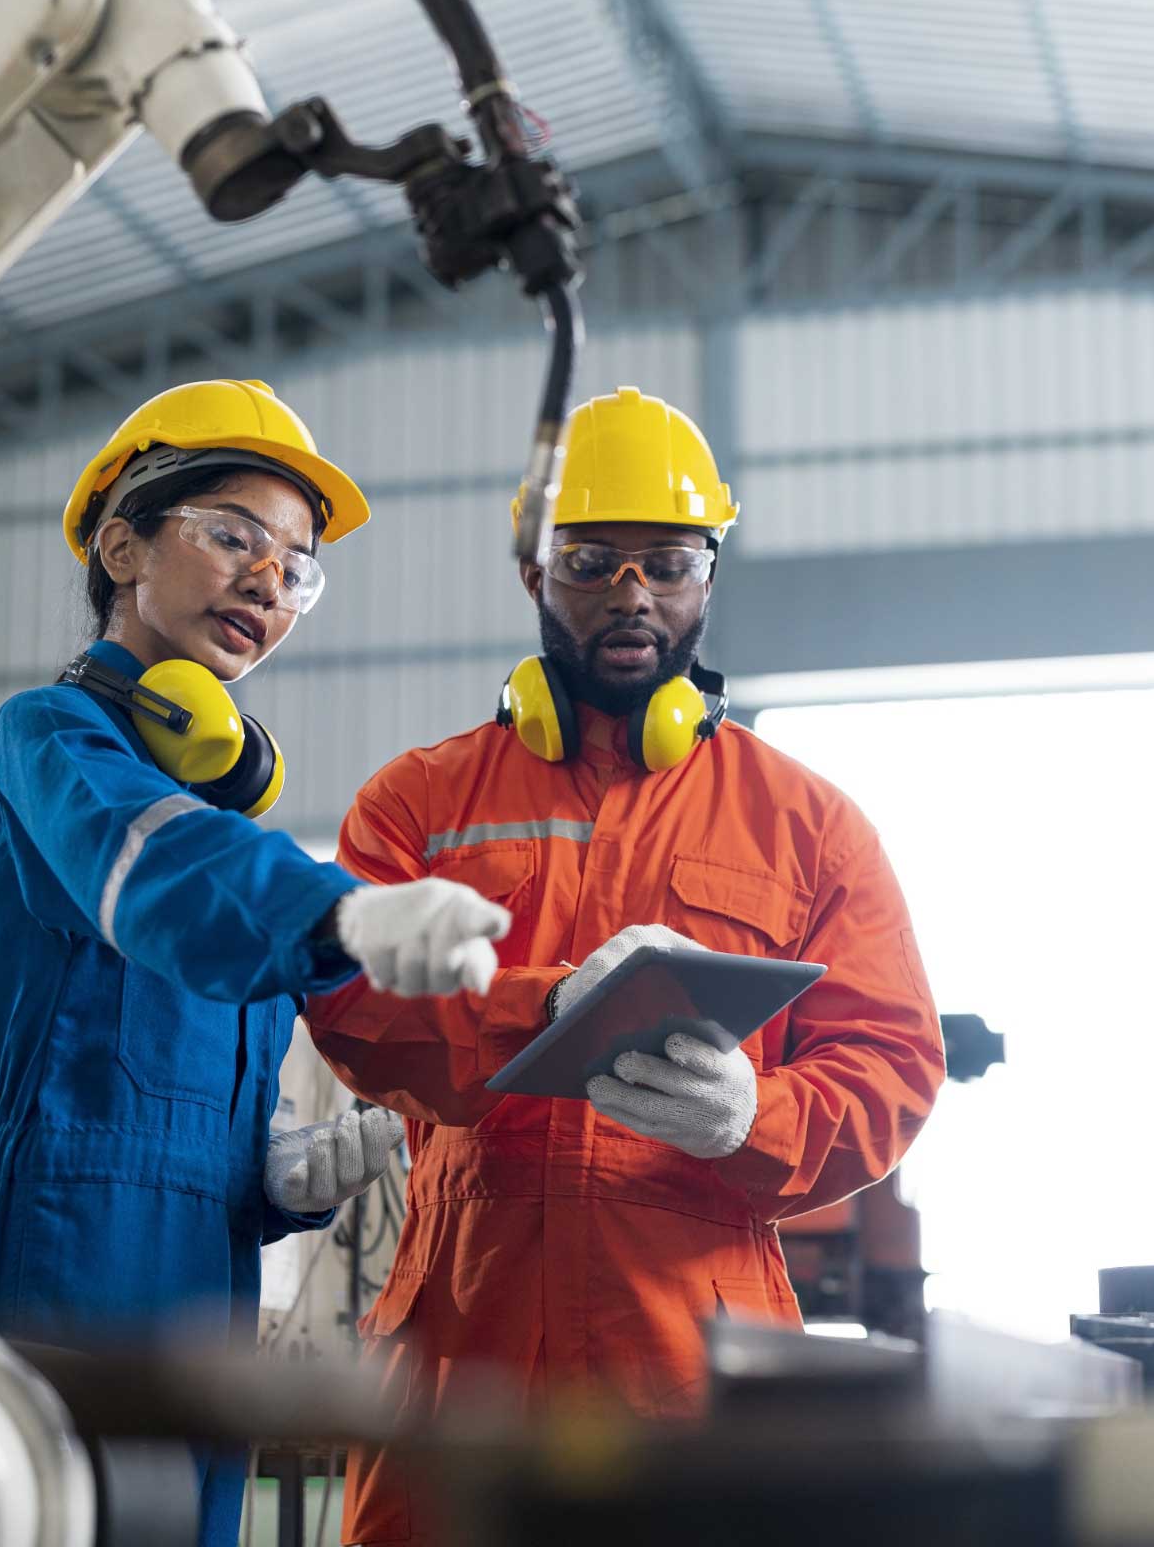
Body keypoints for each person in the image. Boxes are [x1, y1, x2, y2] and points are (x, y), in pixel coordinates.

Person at [303, 386, 948, 1545]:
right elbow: (349, 1004)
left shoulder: (808, 824)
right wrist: (539, 1013)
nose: (631, 594)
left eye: (666, 562)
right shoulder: (419, 804)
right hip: (466, 1348)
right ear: (534, 576)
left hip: (693, 1365)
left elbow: (893, 1062)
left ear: (711, 577)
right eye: (592, 563)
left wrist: (757, 1113)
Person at [0, 379, 512, 1547]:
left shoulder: (226, 828)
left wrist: (265, 1180)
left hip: (203, 1274)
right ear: (122, 543)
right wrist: (350, 913)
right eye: (235, 536)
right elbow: (154, 883)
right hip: (55, 1257)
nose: (268, 582)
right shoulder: (49, 741)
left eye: (296, 566)